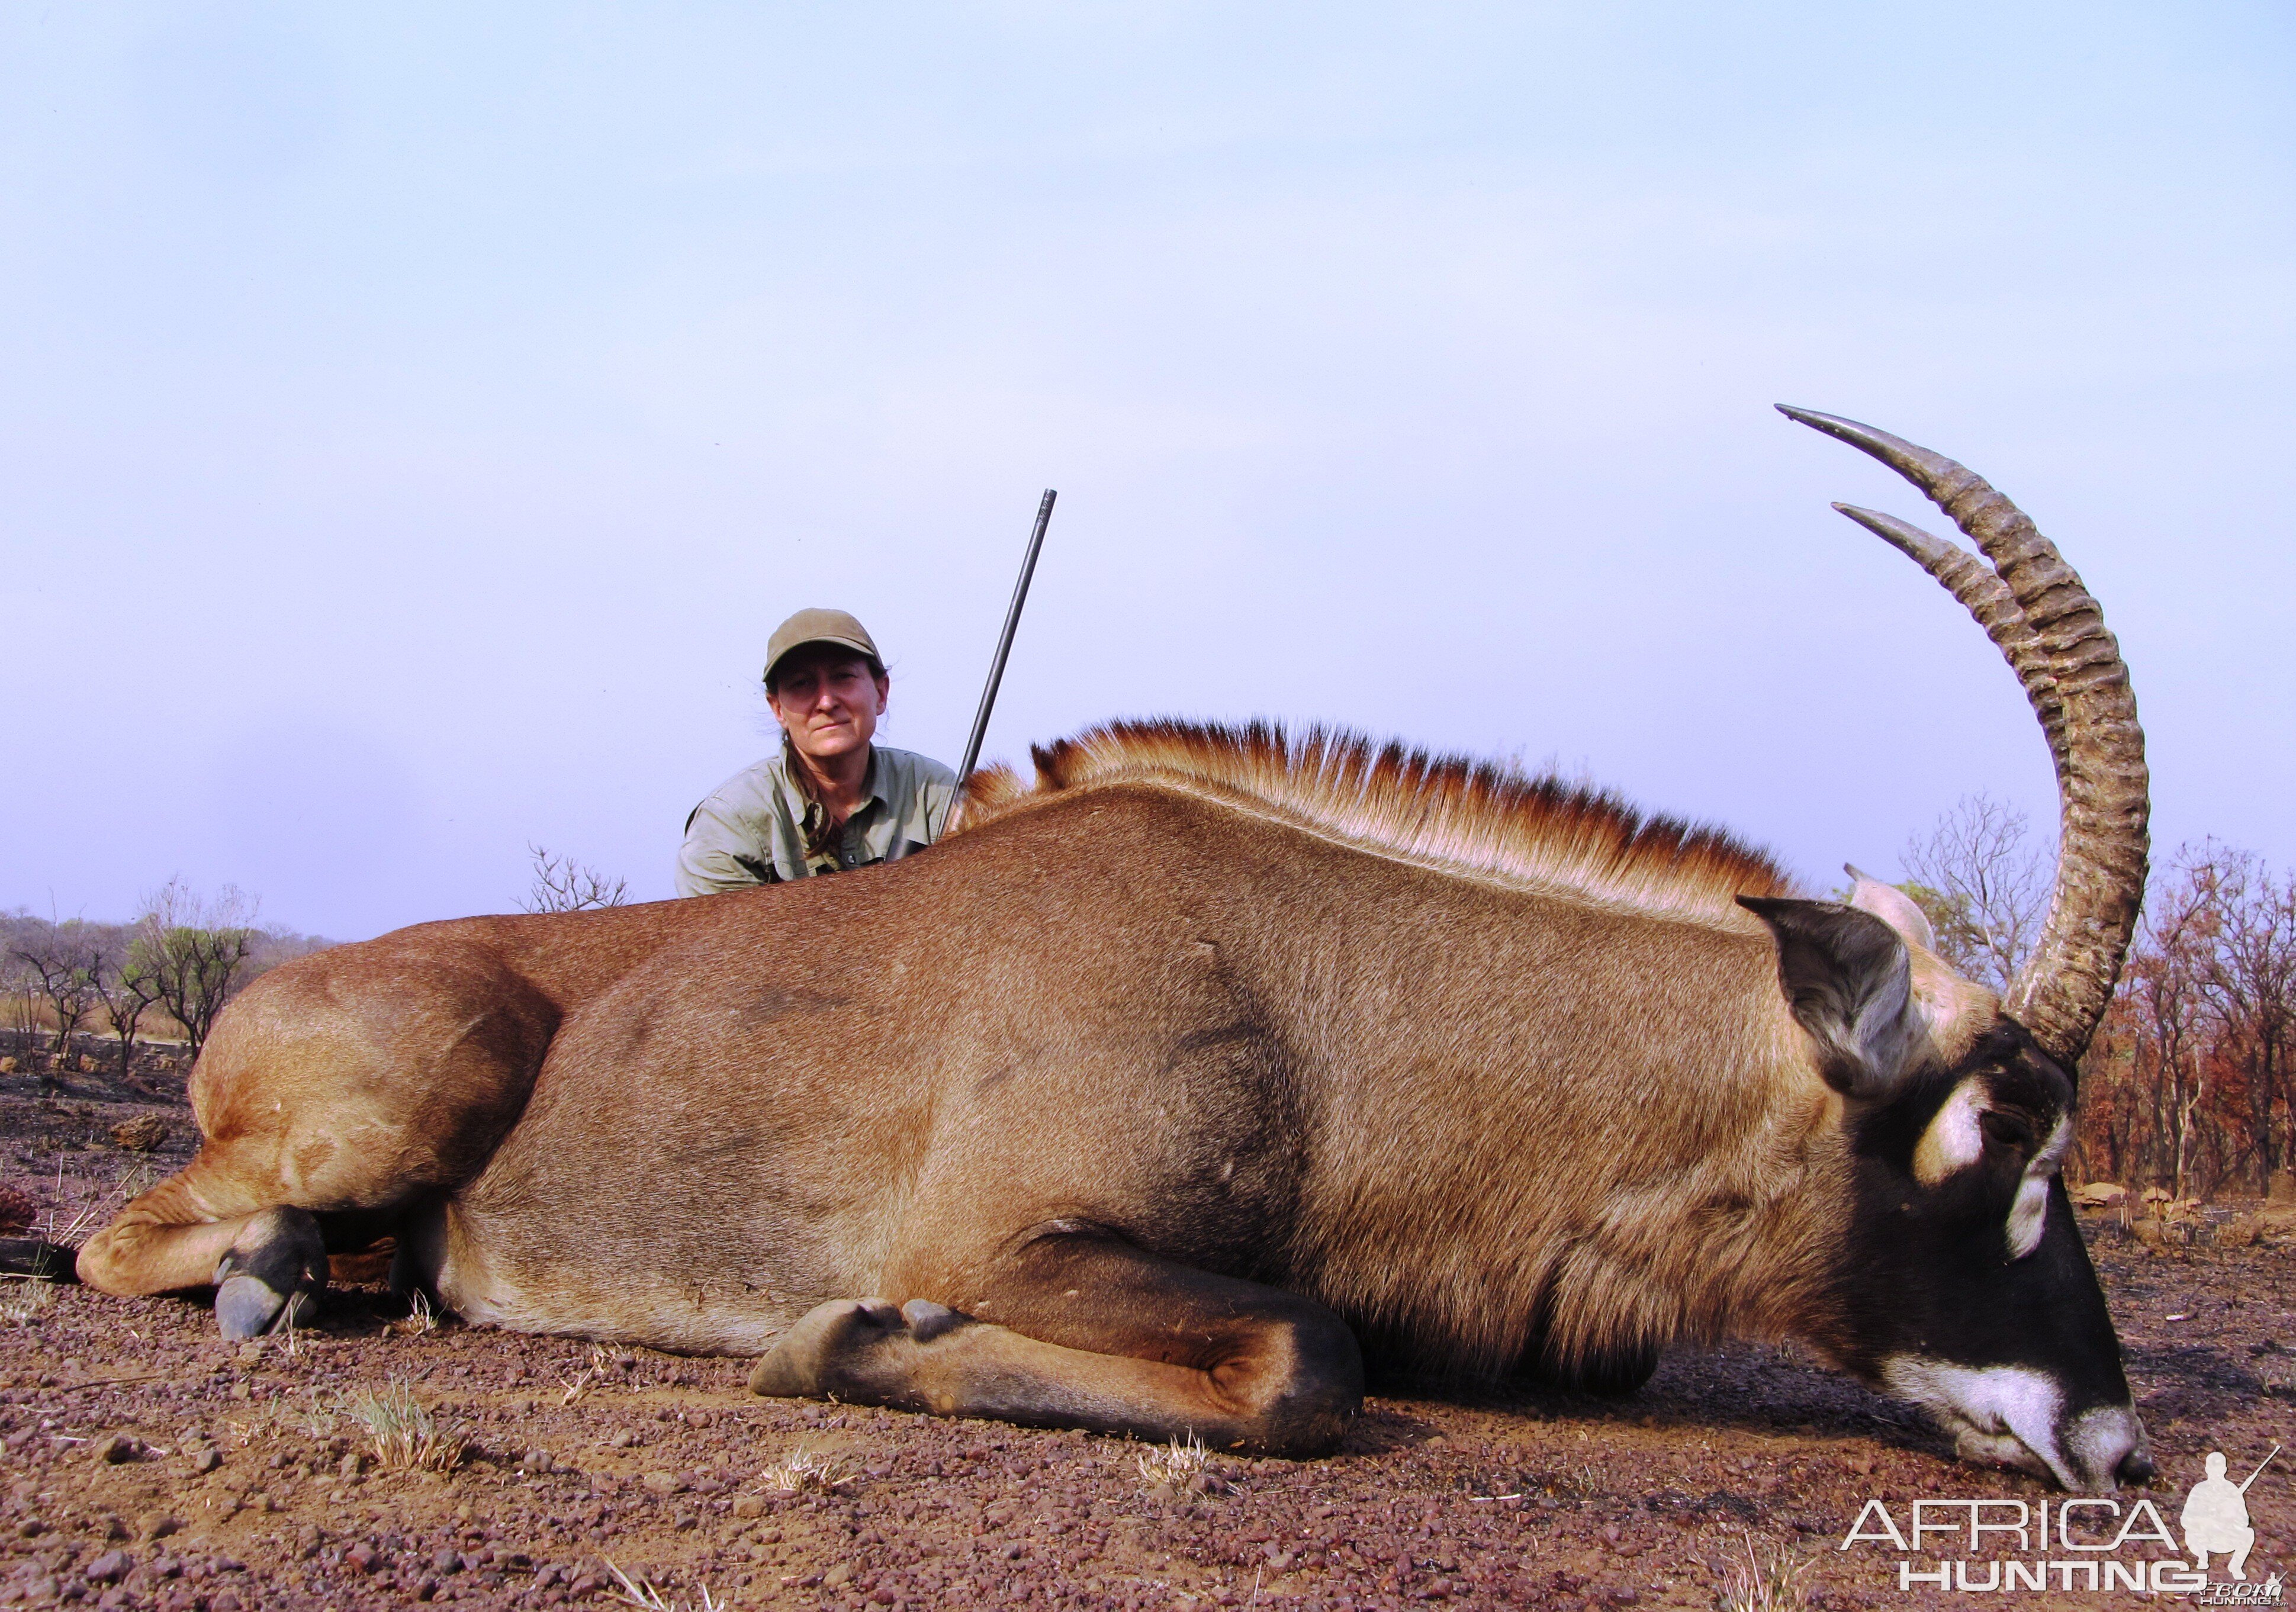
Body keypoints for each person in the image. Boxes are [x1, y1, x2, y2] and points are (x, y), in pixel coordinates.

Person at [676, 609, 958, 895]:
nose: (826, 702)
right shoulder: (729, 821)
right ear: (778, 709)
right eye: (802, 683)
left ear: (881, 693)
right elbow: (722, 937)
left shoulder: (937, 794)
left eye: (843, 676)